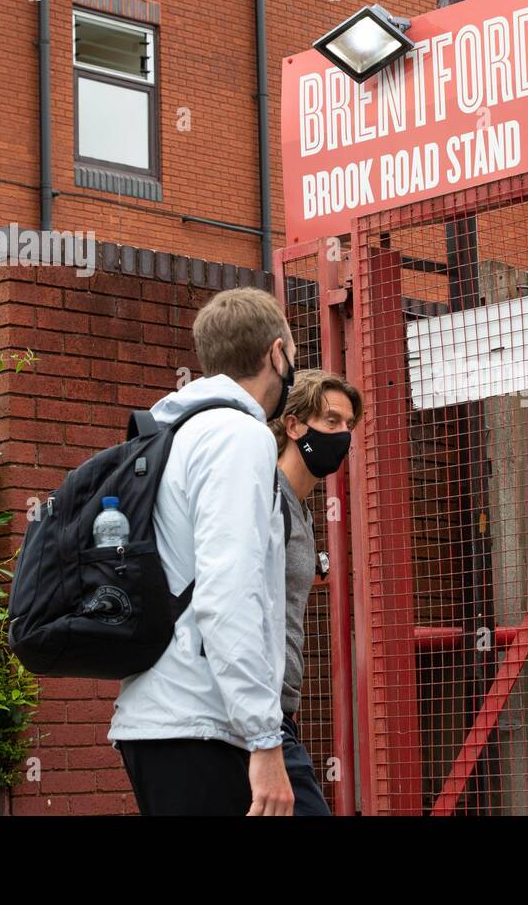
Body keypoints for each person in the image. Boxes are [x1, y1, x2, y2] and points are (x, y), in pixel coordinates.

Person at [109, 287, 298, 816]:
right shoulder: (239, 436)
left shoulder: (177, 432)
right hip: (203, 725)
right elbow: (228, 593)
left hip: (161, 715)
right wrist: (265, 740)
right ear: (276, 353)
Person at [268, 369, 364, 816]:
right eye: (330, 421)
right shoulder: (266, 502)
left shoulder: (301, 512)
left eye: (348, 425)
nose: (343, 435)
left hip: (277, 714)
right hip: (257, 717)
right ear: (293, 425)